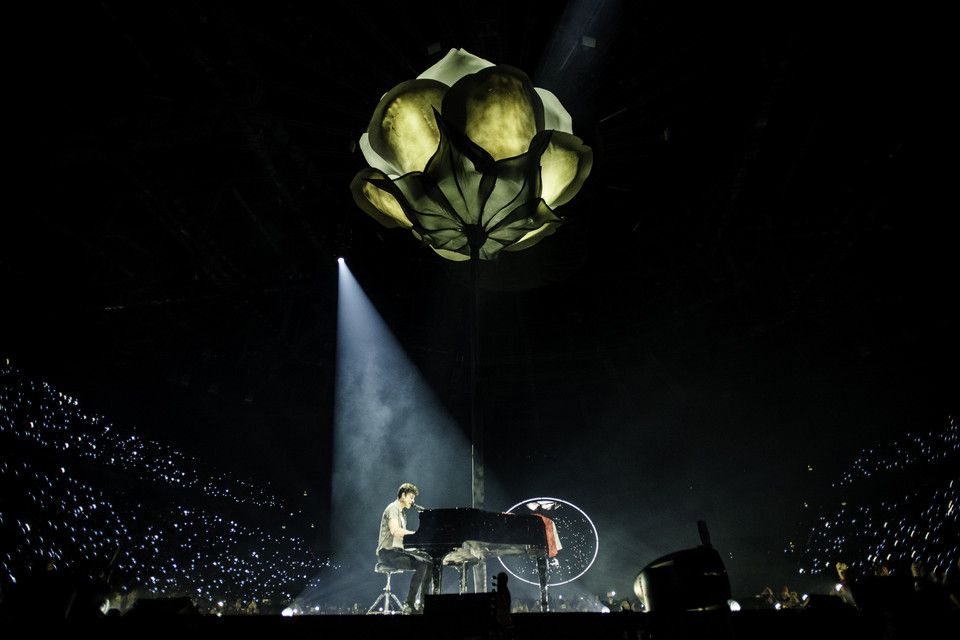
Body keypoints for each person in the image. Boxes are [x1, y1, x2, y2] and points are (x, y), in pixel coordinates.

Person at [377, 483, 432, 614]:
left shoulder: (402, 514)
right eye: (411, 498)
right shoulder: (393, 508)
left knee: (429, 563)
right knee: (421, 564)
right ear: (403, 495)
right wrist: (415, 534)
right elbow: (395, 531)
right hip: (387, 553)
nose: (412, 501)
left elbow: (402, 540)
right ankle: (409, 604)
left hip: (397, 551)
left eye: (413, 499)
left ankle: (424, 605)